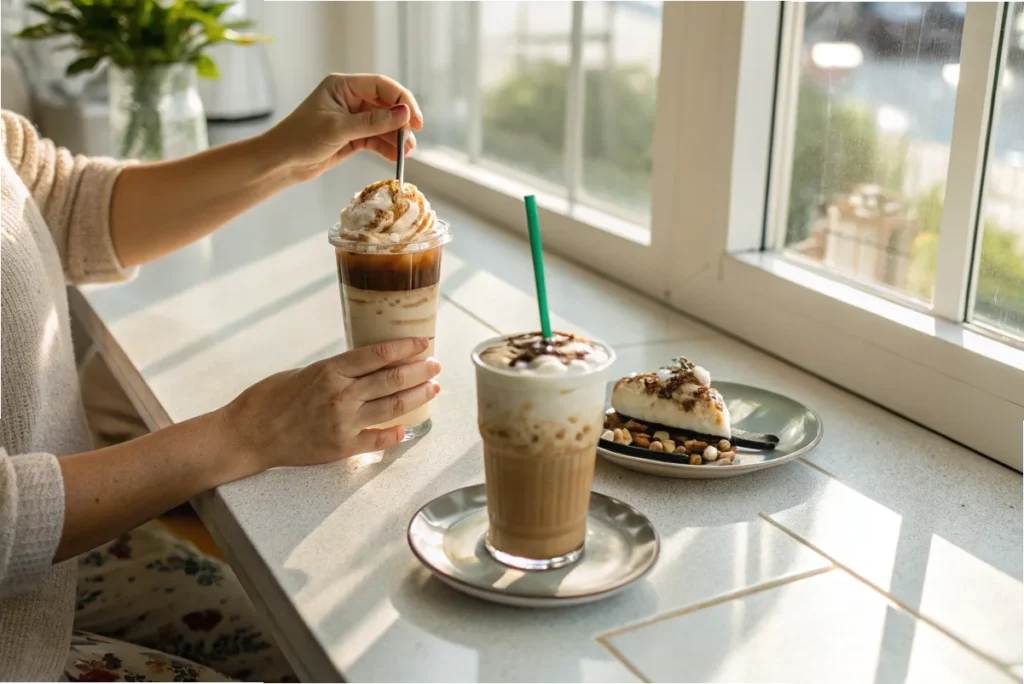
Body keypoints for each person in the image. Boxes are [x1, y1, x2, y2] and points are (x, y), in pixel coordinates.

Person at [0, 73, 441, 684]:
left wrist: (286, 151)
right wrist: (249, 432)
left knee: (297, 649)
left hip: (65, 567)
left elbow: (60, 203)